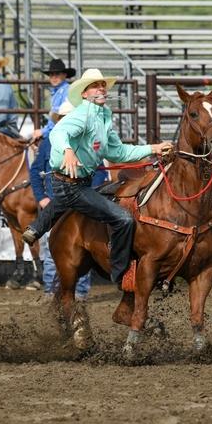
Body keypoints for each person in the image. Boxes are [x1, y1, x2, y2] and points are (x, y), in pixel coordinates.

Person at [22, 68, 173, 287]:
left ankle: (36, 227)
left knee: (72, 201)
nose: (101, 88)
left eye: (102, 84)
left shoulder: (102, 117)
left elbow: (118, 152)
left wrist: (153, 148)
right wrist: (68, 151)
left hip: (75, 183)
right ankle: (121, 274)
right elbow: (57, 133)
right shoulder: (83, 114)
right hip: (72, 184)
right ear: (84, 94)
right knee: (124, 219)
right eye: (95, 85)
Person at [29, 100, 107, 299]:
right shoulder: (49, 143)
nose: (67, 122)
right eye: (64, 118)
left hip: (79, 203)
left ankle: (79, 292)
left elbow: (98, 173)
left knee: (82, 249)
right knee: (49, 249)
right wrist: (42, 198)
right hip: (57, 201)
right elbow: (36, 171)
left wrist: (88, 194)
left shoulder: (86, 144)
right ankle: (50, 291)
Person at [32, 58, 75, 141]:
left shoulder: (65, 91)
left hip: (61, 133)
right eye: (51, 74)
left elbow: (60, 119)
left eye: (57, 74)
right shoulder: (59, 92)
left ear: (64, 75)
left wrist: (43, 131)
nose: (54, 77)